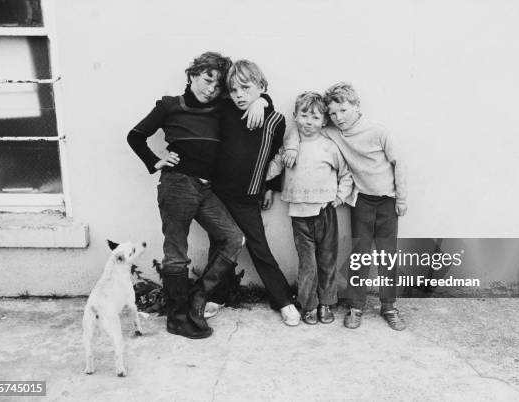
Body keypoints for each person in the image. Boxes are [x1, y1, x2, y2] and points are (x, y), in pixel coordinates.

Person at [126, 52, 267, 339]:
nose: (211, 89)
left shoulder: (219, 107)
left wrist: (263, 102)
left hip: (205, 188)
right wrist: (156, 161)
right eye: (206, 80)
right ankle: (177, 318)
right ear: (192, 76)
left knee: (232, 238)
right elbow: (135, 136)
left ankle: (197, 300)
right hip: (177, 184)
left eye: (217, 86)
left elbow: (255, 92)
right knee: (176, 251)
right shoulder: (169, 106)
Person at [283, 82, 408, 330]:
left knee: (387, 255)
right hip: (360, 201)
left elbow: (398, 163)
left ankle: (389, 306)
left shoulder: (378, 131)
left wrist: (402, 198)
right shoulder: (334, 133)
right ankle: (356, 307)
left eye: (343, 110)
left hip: (388, 201)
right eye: (332, 114)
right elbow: (303, 128)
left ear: (356, 106)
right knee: (359, 256)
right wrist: (292, 145)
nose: (337, 117)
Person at [206, 60, 302, 326]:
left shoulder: (274, 120)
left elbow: (275, 157)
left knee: (259, 248)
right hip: (217, 195)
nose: (239, 96)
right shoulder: (224, 110)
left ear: (260, 86)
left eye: (246, 89)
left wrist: (270, 188)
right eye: (234, 90)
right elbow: (201, 98)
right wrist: (260, 99)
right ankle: (217, 294)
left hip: (248, 197)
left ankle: (283, 300)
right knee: (221, 246)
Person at [266, 92, 353, 325]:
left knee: (327, 261)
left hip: (326, 212)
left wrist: (340, 197)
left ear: (324, 121)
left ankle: (326, 303)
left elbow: (346, 175)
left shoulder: (329, 147)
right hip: (299, 215)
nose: (308, 121)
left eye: (315, 117)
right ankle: (309, 305)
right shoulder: (290, 146)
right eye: (303, 115)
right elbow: (273, 168)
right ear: (295, 116)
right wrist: (262, 176)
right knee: (308, 264)